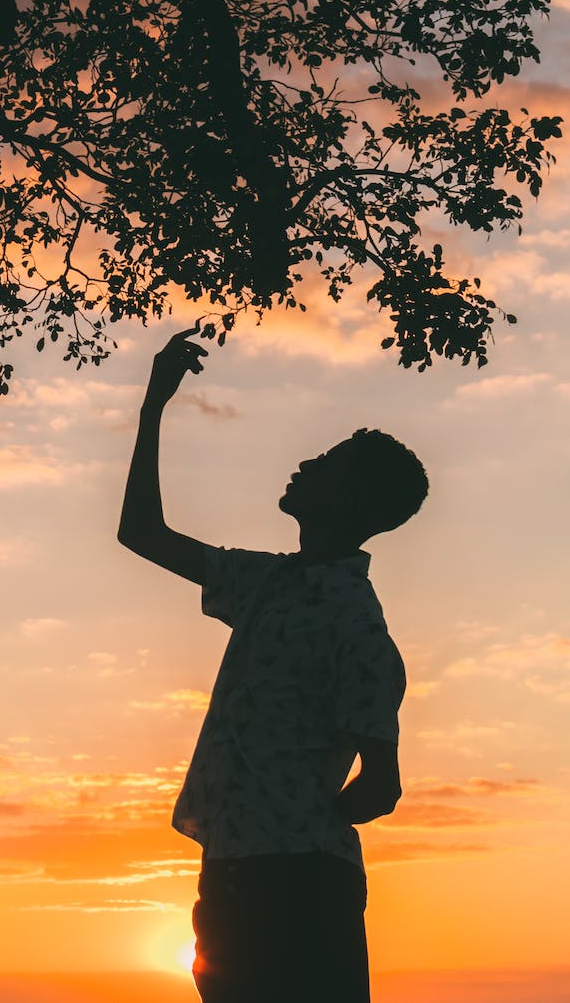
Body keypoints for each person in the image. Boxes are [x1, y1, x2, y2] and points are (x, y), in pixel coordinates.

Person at [117, 325, 426, 1003]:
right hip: (231, 866)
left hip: (298, 882)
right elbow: (139, 534)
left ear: (349, 501)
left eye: (327, 463)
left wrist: (301, 820)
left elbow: (383, 785)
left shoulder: (355, 622)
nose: (305, 464)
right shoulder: (268, 583)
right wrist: (153, 407)